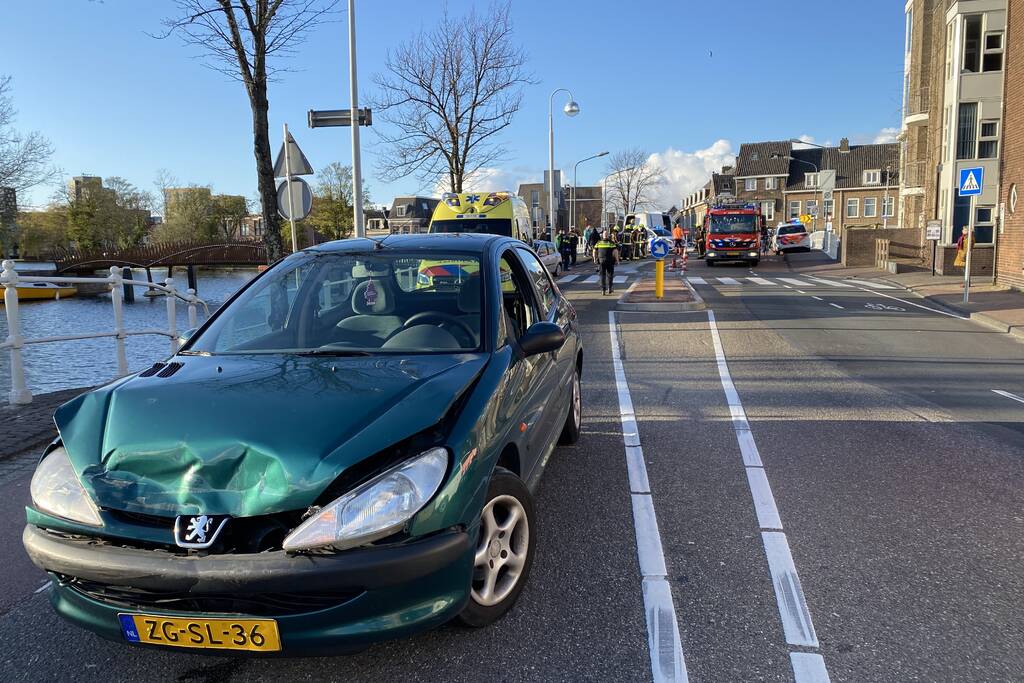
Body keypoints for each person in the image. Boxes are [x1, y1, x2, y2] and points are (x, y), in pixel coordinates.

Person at [593, 230, 620, 295]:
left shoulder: (598, 243)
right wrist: (617, 260)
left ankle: (603, 290)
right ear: (608, 235)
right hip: (610, 261)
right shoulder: (611, 243)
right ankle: (610, 288)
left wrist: (594, 259)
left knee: (602, 275)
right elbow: (615, 252)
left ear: (602, 235)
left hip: (601, 261)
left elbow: (594, 251)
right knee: (610, 275)